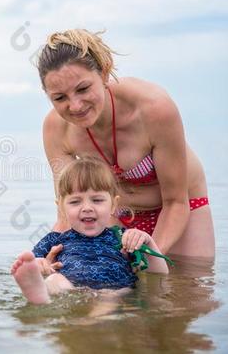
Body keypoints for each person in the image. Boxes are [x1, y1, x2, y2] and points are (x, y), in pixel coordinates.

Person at [38, 29, 214, 258]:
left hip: (181, 208)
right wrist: (46, 259)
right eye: (60, 98)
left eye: (83, 89)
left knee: (184, 288)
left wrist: (150, 258)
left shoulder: (154, 109)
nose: (76, 106)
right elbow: (66, 211)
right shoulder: (56, 129)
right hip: (114, 215)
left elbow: (175, 202)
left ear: (104, 72)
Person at [11, 158, 168, 305]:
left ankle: (92, 319)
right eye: (75, 201)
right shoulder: (54, 240)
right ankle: (39, 294)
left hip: (115, 290)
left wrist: (148, 241)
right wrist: (40, 265)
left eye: (97, 200)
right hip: (71, 288)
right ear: (61, 208)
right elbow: (32, 261)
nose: (87, 208)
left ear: (114, 204)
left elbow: (159, 273)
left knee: (110, 297)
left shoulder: (123, 237)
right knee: (54, 280)